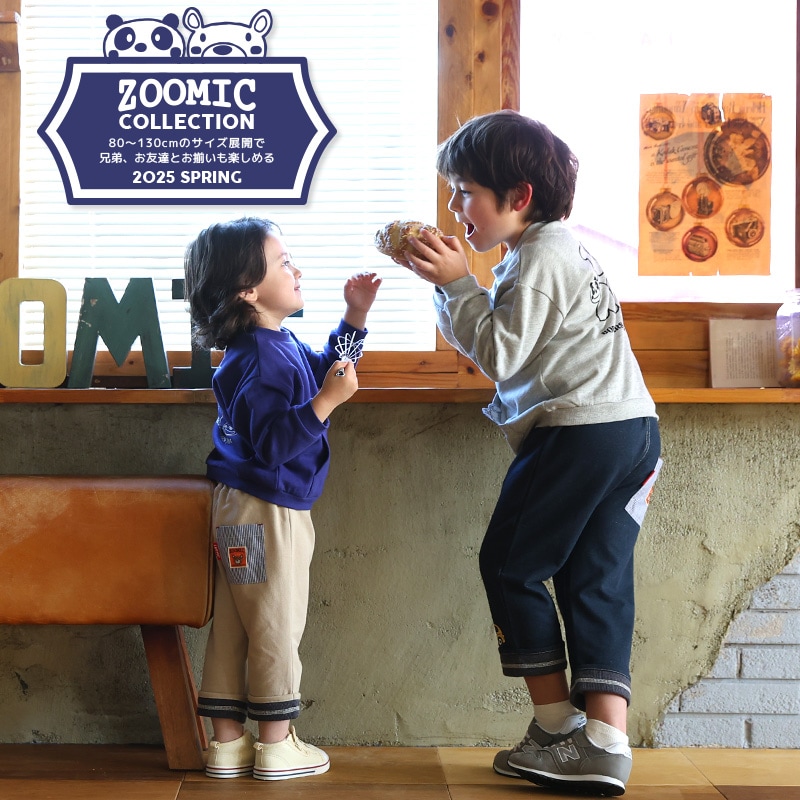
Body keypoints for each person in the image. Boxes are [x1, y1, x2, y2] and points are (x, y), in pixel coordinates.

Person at [403, 111, 661, 797]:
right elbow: (512, 339)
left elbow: (500, 354)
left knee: (510, 565)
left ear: (518, 196)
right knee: (594, 578)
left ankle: (553, 727)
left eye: (465, 192)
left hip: (580, 432)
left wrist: (457, 285)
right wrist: (458, 285)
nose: (454, 208)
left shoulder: (539, 258)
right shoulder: (556, 250)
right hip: (631, 430)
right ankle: (604, 742)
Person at [183, 216, 381, 781]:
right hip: (270, 511)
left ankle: (227, 742)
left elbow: (330, 368)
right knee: (275, 621)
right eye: (283, 261)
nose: (296, 269)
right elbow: (274, 444)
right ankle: (276, 743)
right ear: (248, 290)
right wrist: (327, 403)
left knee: (237, 621)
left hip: (237, 507)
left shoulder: (266, 346)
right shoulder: (265, 357)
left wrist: (355, 316)